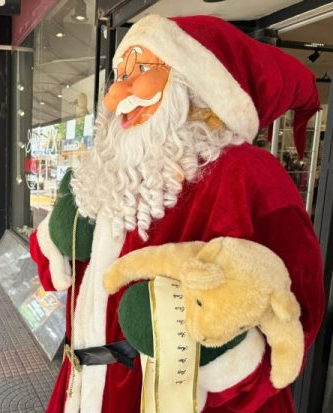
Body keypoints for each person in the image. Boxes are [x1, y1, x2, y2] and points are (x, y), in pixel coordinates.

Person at [29, 15, 324, 413]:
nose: (117, 94)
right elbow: (56, 279)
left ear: (194, 84)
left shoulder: (246, 174)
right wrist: (57, 241)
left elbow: (295, 311)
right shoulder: (110, 173)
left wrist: (203, 346)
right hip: (80, 389)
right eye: (119, 74)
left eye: (142, 69)